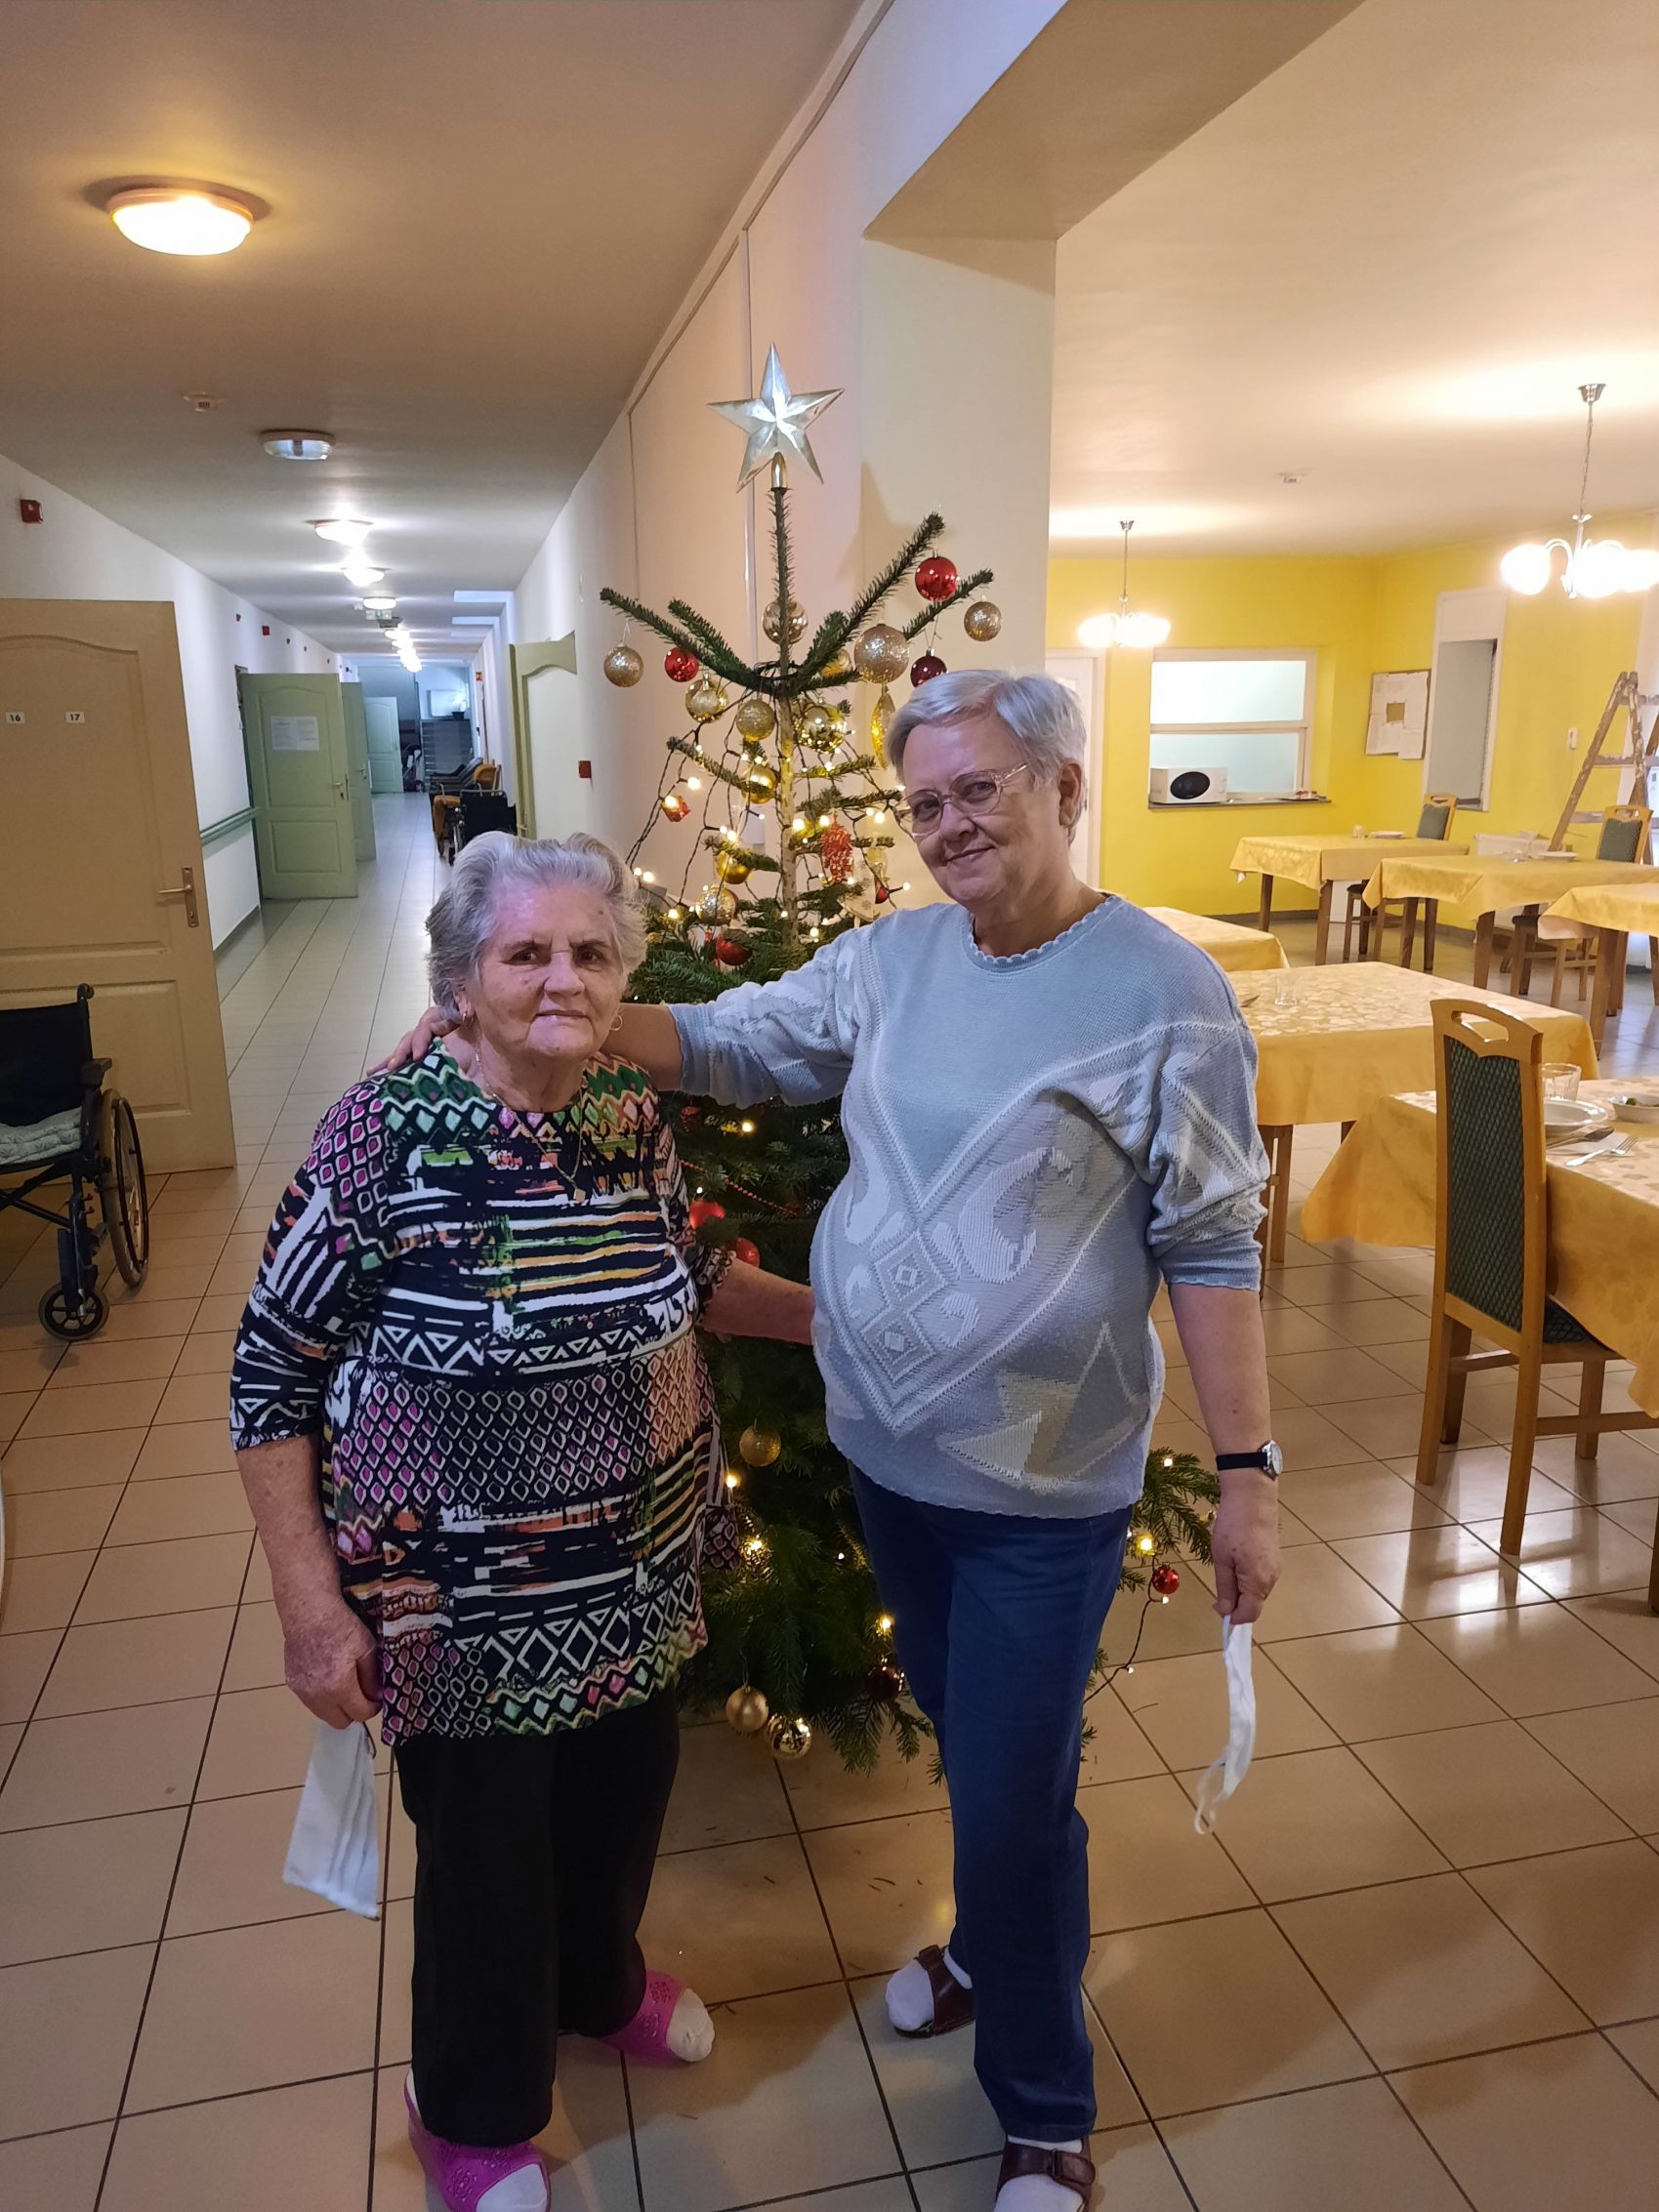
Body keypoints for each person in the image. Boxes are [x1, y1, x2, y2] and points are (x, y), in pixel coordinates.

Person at [389, 672, 1280, 2212]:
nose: (950, 824)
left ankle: (1045, 2109)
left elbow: (1210, 1240)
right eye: (925, 801)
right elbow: (736, 1039)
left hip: (1042, 1487)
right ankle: (986, 1947)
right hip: (892, 1456)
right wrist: (549, 1008)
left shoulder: (1164, 994)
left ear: (1066, 786)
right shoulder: (895, 959)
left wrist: (1250, 1473)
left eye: (981, 788)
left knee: (1012, 1795)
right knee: (975, 1748)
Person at [231, 832, 813, 2212]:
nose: (564, 978)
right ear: (461, 979)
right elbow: (268, 1375)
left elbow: (686, 1269)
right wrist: (310, 1603)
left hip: (637, 1573)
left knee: (621, 1803)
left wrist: (836, 1319)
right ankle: (474, 2109)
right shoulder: (381, 1134)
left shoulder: (623, 1109)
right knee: (489, 1858)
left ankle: (597, 1987)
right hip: (460, 1602)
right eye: (526, 952)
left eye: (590, 953)